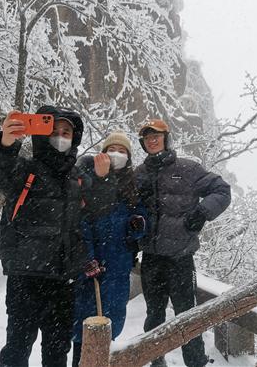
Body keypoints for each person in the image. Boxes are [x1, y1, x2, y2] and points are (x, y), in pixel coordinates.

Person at [0, 105, 114, 367]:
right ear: (42, 135)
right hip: (25, 277)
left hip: (63, 281)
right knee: (17, 349)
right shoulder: (25, 170)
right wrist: (5, 143)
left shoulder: (77, 178)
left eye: (66, 132)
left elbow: (98, 210)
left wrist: (102, 180)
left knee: (57, 351)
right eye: (54, 131)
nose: (60, 137)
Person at [135, 119, 231, 367]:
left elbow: (222, 190)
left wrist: (202, 212)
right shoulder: (139, 173)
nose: (152, 141)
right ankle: (155, 361)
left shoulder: (188, 169)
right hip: (151, 258)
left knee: (187, 316)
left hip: (180, 258)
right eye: (147, 138)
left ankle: (195, 362)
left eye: (156, 136)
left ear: (166, 139)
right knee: (154, 315)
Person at [71, 131, 146, 367]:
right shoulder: (87, 179)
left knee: (110, 325)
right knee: (85, 328)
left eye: (122, 151)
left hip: (118, 268)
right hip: (91, 268)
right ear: (102, 154)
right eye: (111, 150)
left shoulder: (132, 186)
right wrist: (87, 258)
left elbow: (140, 220)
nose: (116, 155)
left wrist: (138, 225)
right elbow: (80, 222)